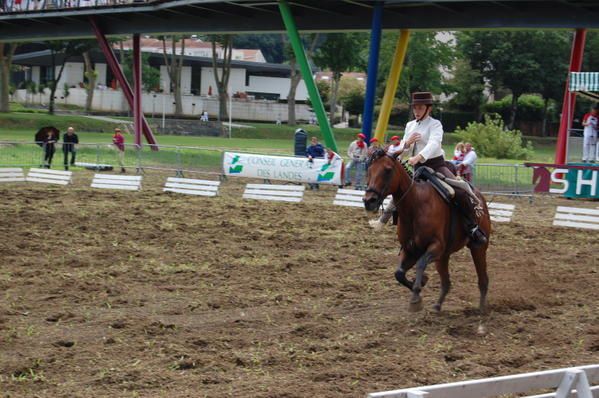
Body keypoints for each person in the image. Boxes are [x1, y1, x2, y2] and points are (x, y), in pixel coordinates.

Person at [395, 92, 486, 245]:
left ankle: (473, 228)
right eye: (415, 108)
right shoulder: (409, 125)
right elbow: (403, 150)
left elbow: (434, 143)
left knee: (459, 192)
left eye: (420, 108)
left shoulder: (435, 124)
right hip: (417, 169)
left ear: (428, 108)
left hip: (436, 166)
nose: (416, 111)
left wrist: (419, 157)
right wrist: (406, 144)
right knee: (400, 195)